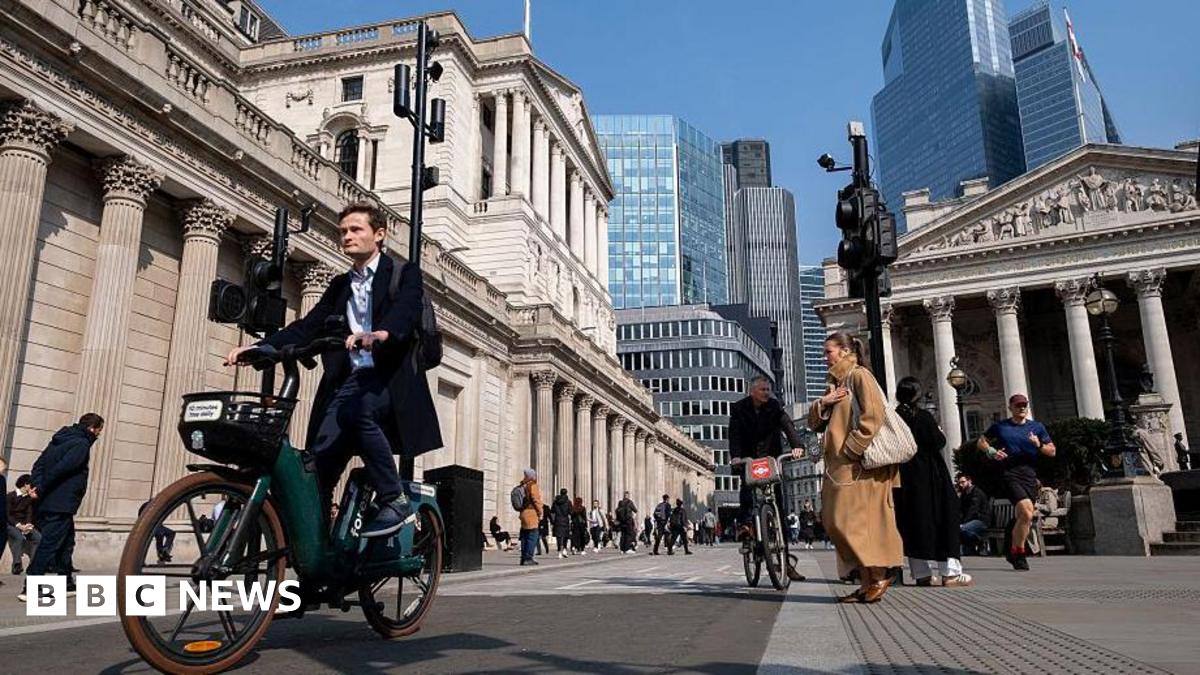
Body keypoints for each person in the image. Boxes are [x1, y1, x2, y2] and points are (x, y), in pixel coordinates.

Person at [225, 203, 442, 539]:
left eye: (356, 229)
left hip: (387, 378)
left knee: (359, 413)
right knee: (318, 468)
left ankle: (393, 498)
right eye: (343, 231)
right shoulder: (341, 285)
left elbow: (407, 309)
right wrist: (260, 348)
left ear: (379, 235)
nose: (347, 236)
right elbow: (308, 326)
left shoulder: (403, 273)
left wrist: (380, 334)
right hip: (347, 383)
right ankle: (320, 560)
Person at [807, 333, 902, 604]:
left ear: (846, 350)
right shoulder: (835, 383)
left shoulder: (859, 376)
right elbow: (816, 424)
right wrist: (823, 404)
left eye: (829, 352)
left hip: (859, 464)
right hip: (838, 465)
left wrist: (853, 447)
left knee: (858, 522)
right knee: (835, 521)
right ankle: (865, 582)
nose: (825, 357)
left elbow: (874, 415)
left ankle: (879, 574)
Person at [893, 377, 972, 587]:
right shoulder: (924, 417)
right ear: (917, 395)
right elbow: (939, 442)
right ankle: (950, 572)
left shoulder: (894, 417)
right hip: (930, 474)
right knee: (944, 518)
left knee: (913, 522)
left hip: (904, 476)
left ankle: (921, 573)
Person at [729, 375, 807, 582]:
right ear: (752, 391)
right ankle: (746, 527)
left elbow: (787, 425)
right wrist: (735, 456)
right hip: (747, 458)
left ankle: (786, 563)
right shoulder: (738, 409)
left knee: (779, 508)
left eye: (768, 389)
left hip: (771, 458)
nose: (767, 392)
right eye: (763, 389)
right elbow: (734, 434)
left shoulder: (774, 406)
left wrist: (797, 445)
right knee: (747, 490)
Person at [20, 413, 104, 602]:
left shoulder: (59, 440)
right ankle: (31, 587)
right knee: (49, 545)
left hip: (50, 501)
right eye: (99, 430)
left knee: (66, 542)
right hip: (61, 503)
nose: (99, 435)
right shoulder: (81, 444)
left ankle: (66, 582)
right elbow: (62, 470)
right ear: (93, 428)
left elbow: (39, 465)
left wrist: (35, 486)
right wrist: (39, 489)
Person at [976, 393, 1055, 571]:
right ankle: (1019, 553)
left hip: (1029, 474)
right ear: (1010, 407)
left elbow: (1052, 451)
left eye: (1024, 405)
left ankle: (1011, 547)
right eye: (1018, 405)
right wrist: (991, 452)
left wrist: (1038, 445)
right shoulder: (1001, 427)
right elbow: (981, 441)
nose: (1021, 408)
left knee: (1024, 516)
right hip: (1009, 473)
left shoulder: (1037, 427)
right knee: (1027, 512)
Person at [7, 474, 41, 575]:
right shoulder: (10, 496)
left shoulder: (28, 498)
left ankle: (33, 564)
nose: (33, 487)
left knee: (38, 537)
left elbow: (29, 513)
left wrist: (28, 524)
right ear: (25, 485)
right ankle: (17, 564)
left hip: (24, 524)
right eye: (31, 485)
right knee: (19, 537)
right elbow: (7, 514)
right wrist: (18, 525)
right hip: (10, 524)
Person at [957, 474, 990, 556]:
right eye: (959, 483)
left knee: (962, 528)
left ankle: (981, 541)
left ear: (969, 481)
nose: (961, 485)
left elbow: (973, 510)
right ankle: (970, 547)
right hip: (970, 520)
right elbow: (960, 509)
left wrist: (963, 523)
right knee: (956, 528)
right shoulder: (964, 493)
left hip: (981, 520)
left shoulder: (977, 493)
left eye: (963, 482)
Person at [137, 500, 176, 564]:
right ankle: (162, 554)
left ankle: (164, 552)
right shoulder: (149, 507)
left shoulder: (154, 506)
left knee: (170, 533)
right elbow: (140, 516)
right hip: (150, 525)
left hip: (157, 525)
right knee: (161, 534)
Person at [517, 469, 543, 565]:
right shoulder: (532, 485)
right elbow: (536, 500)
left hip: (523, 512)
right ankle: (528, 558)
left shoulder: (522, 485)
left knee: (524, 536)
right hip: (531, 513)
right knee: (533, 536)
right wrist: (540, 512)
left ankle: (523, 558)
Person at [551, 488, 572, 558]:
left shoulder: (555, 501)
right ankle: (565, 549)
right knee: (565, 536)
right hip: (565, 520)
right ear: (566, 493)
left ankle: (559, 551)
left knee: (559, 536)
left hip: (557, 520)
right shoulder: (568, 502)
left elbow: (552, 511)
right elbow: (571, 511)